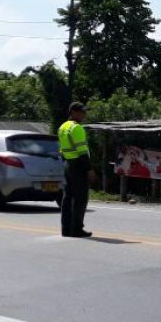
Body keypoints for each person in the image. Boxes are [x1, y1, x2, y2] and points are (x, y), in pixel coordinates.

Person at [58, 102, 94, 238]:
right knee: (80, 198)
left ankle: (65, 229)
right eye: (81, 112)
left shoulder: (62, 127)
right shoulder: (77, 128)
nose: (84, 115)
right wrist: (89, 169)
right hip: (78, 165)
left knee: (67, 198)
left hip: (68, 164)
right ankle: (77, 229)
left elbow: (62, 151)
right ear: (72, 112)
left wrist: (68, 163)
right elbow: (82, 152)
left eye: (84, 112)